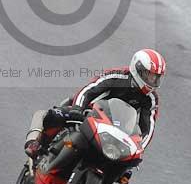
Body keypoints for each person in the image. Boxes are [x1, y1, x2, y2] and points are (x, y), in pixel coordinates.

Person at [24, 49, 166, 166]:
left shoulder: (151, 98)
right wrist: (77, 109)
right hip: (89, 114)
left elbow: (148, 128)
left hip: (117, 131)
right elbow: (89, 90)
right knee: (54, 115)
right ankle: (39, 145)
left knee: (123, 169)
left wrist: (139, 149)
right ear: (138, 68)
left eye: (156, 77)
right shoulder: (117, 76)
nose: (152, 81)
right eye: (149, 75)